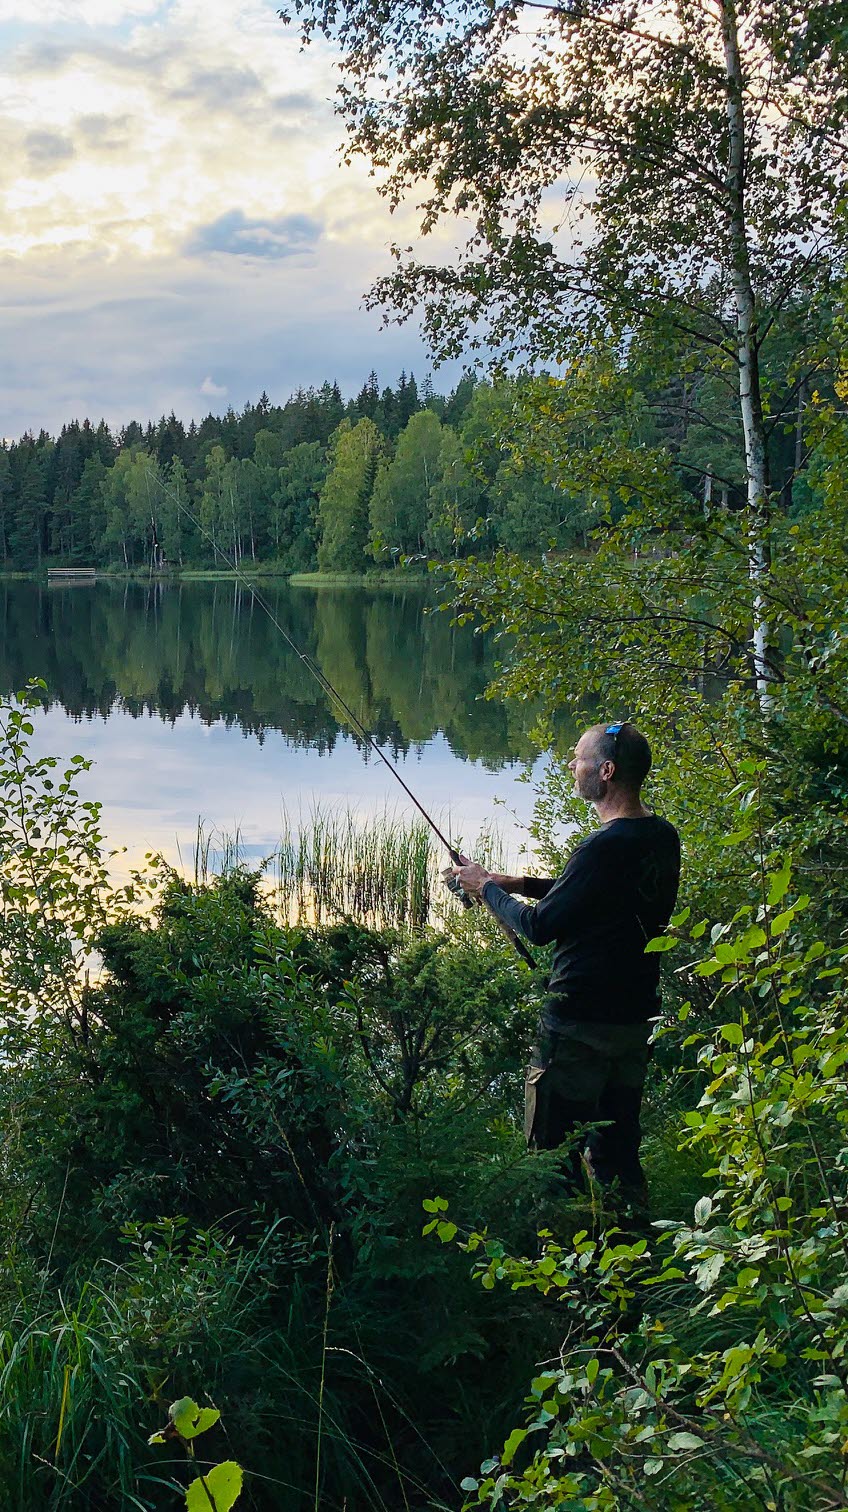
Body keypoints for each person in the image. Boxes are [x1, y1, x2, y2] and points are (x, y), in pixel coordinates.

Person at [451, 721, 680, 1198]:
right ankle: (633, 1255)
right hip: (635, 1020)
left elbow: (539, 927)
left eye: (578, 758)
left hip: (579, 1025)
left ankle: (559, 1264)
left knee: (554, 1159)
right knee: (617, 1151)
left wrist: (484, 888)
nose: (572, 767)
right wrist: (514, 883)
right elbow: (595, 896)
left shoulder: (602, 847)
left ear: (607, 770)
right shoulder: (660, 836)